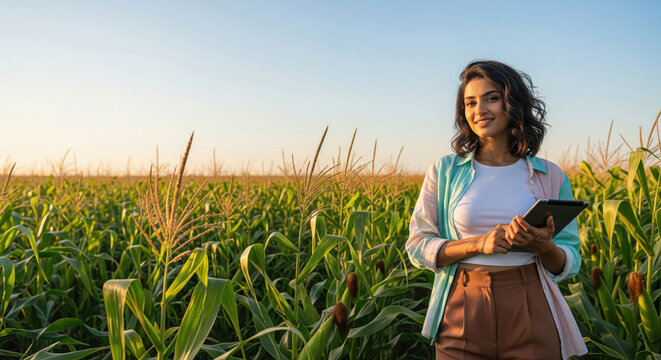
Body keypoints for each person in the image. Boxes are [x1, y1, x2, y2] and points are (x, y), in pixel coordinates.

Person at [406, 60, 587, 360]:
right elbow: (417, 245)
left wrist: (544, 246)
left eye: (491, 98)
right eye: (470, 102)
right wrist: (478, 243)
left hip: (531, 300)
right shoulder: (444, 171)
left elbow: (569, 258)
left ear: (513, 103)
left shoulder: (551, 176)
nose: (480, 110)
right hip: (462, 303)